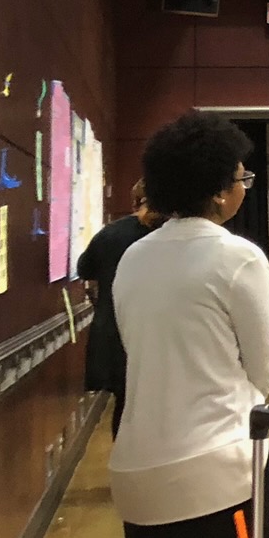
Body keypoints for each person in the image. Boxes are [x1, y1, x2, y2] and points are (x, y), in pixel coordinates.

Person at [107, 112, 269, 538]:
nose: (242, 186)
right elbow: (264, 366)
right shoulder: (238, 256)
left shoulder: (133, 255)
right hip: (217, 467)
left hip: (138, 464)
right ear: (218, 190)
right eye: (240, 177)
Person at [80, 179, 161, 436]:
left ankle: (126, 463)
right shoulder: (170, 234)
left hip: (115, 332)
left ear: (135, 201)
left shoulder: (111, 233)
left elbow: (85, 269)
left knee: (125, 406)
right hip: (158, 333)